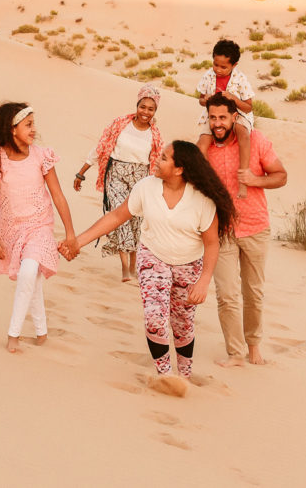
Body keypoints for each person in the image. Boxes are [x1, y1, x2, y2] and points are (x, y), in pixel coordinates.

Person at [60, 141, 236, 382]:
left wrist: (204, 281)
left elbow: (212, 243)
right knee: (155, 317)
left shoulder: (202, 200)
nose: (157, 159)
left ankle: (184, 374)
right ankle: (165, 376)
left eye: (164, 158)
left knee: (182, 323)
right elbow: (116, 216)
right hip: (153, 258)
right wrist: (79, 241)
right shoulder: (146, 188)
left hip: (189, 265)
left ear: (179, 169)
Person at [0, 102, 77, 353]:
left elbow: (58, 195)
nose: (34, 130)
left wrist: (70, 233)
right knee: (32, 278)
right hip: (12, 231)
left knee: (28, 271)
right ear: (13, 129)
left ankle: (13, 334)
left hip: (41, 227)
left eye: (34, 124)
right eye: (28, 124)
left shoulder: (42, 156)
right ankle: (42, 333)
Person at [203, 94, 287, 367]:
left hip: (255, 227)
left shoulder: (256, 141)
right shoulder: (206, 149)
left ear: (234, 117)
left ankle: (254, 347)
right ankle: (235, 353)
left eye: (223, 117)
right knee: (226, 295)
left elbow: (281, 175)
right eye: (213, 118)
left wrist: (256, 180)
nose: (218, 123)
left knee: (253, 293)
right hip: (222, 231)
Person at [72, 85, 164, 282]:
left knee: (136, 222)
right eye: (143, 106)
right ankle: (125, 268)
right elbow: (100, 148)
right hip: (116, 176)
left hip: (141, 179)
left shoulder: (155, 136)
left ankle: (133, 266)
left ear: (155, 111)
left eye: (151, 109)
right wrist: (81, 173)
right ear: (137, 105)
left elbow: (159, 164)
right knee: (119, 218)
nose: (146, 112)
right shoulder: (119, 125)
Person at [195, 39, 255, 198]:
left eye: (223, 67)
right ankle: (211, 182)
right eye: (215, 64)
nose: (218, 70)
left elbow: (248, 107)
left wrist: (234, 98)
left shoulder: (241, 79)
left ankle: (243, 180)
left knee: (243, 135)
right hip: (215, 116)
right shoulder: (208, 75)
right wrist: (205, 99)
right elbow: (200, 100)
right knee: (201, 146)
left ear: (234, 65)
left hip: (237, 114)